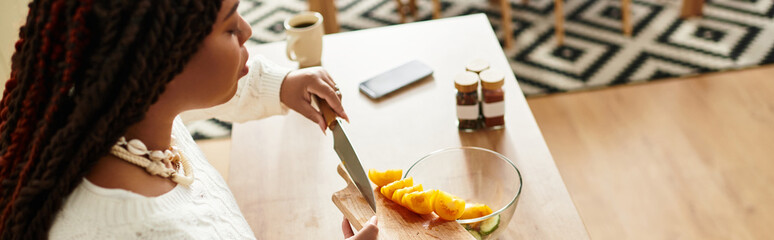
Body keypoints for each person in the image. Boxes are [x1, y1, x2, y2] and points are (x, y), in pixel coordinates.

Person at [0, 0, 378, 239]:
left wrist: (281, 84)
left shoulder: (125, 119)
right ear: (161, 61)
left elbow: (214, 96)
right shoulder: (151, 229)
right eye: (231, 27)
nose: (248, 30)